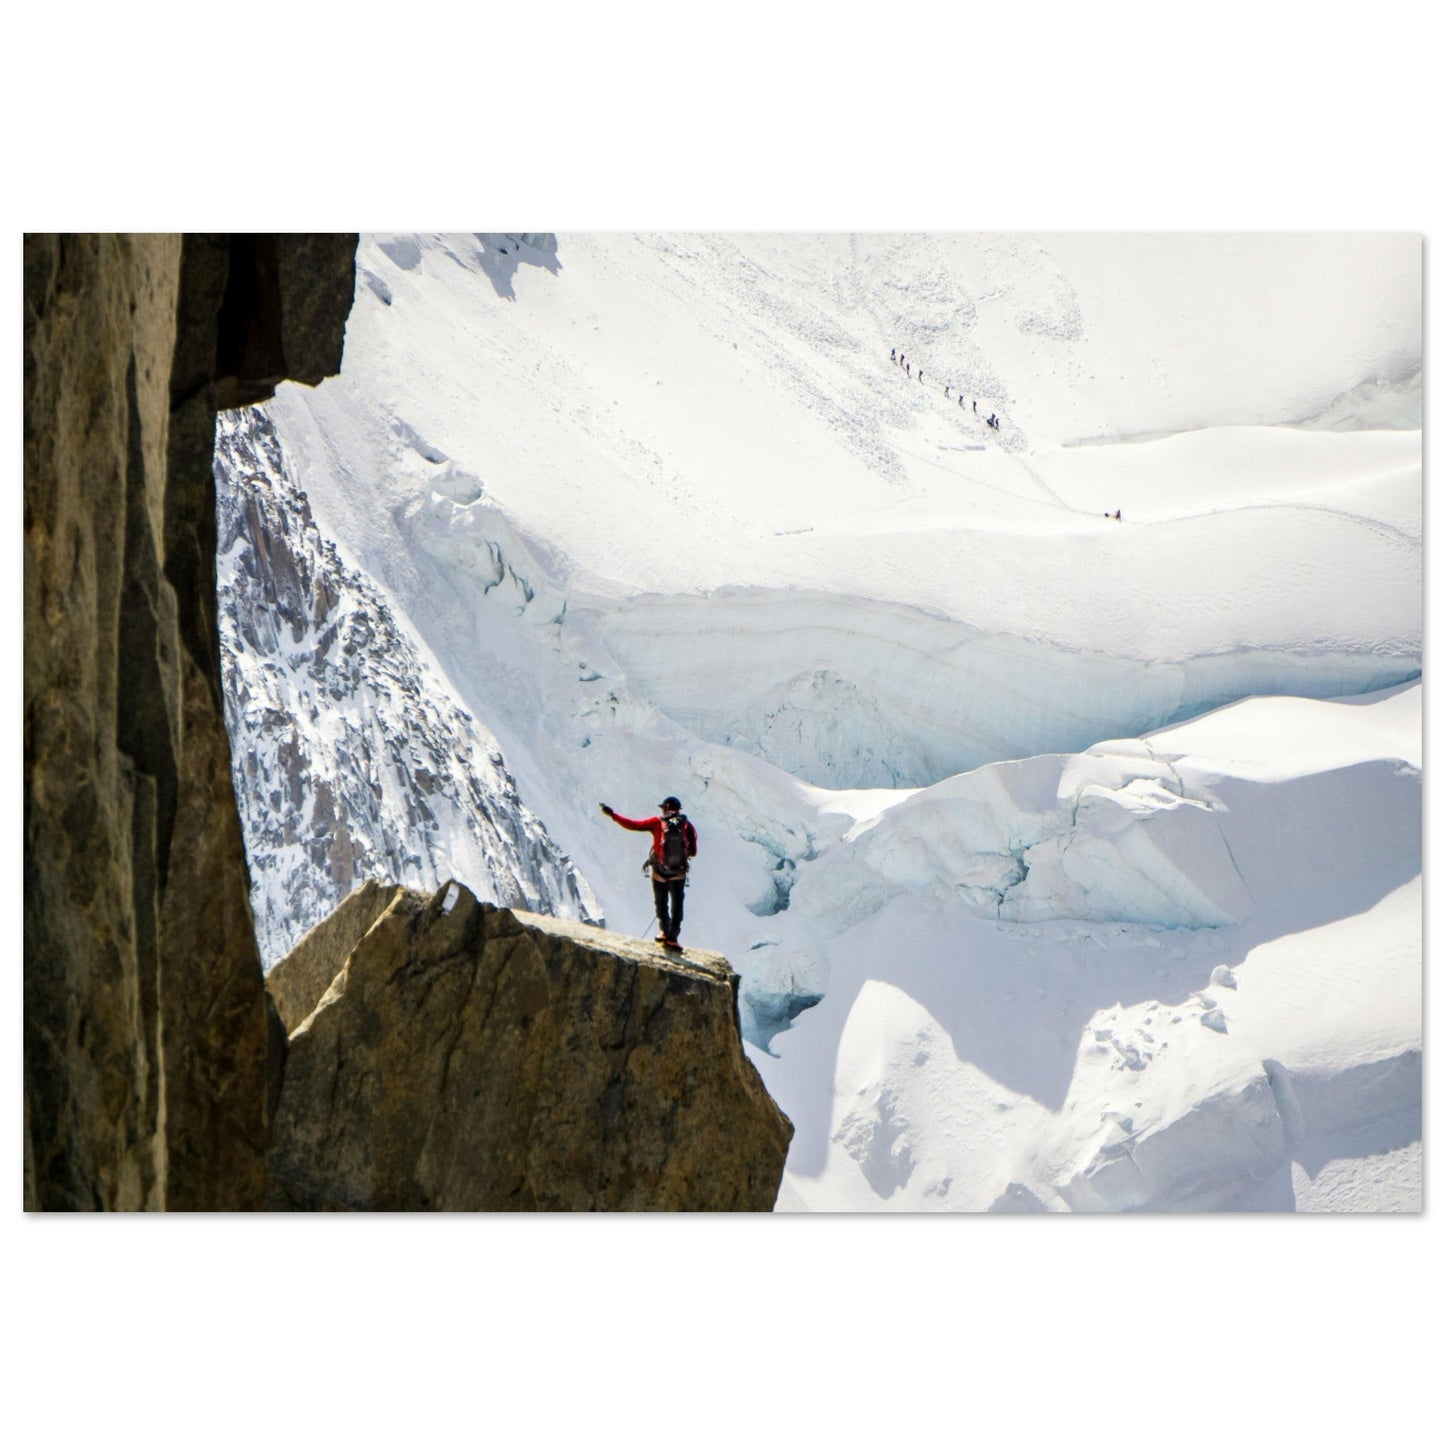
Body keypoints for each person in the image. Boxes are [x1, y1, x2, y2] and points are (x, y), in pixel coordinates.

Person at [599, 796, 698, 950]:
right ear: (678, 809)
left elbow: (633, 825)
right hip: (678, 874)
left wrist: (613, 815)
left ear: (666, 807)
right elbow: (693, 851)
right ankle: (673, 938)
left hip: (659, 871)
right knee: (677, 905)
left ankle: (664, 931)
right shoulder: (687, 826)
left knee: (661, 903)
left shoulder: (657, 822)